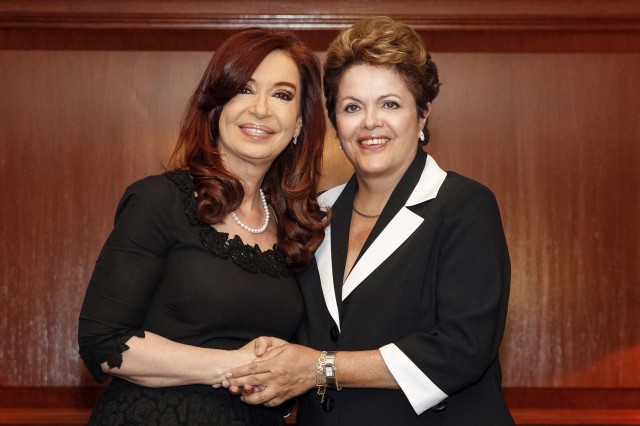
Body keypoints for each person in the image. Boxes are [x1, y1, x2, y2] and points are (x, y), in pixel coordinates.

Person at [225, 16, 514, 425]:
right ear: (335, 123)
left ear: (423, 113)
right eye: (352, 107)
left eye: (390, 104)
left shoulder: (463, 205)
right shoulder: (313, 213)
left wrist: (322, 367)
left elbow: (462, 348)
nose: (370, 122)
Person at [77, 27, 327, 425]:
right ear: (216, 108)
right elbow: (104, 341)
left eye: (282, 95)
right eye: (244, 89)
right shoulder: (160, 200)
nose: (261, 109)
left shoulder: (299, 229)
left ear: (298, 124)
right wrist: (232, 366)